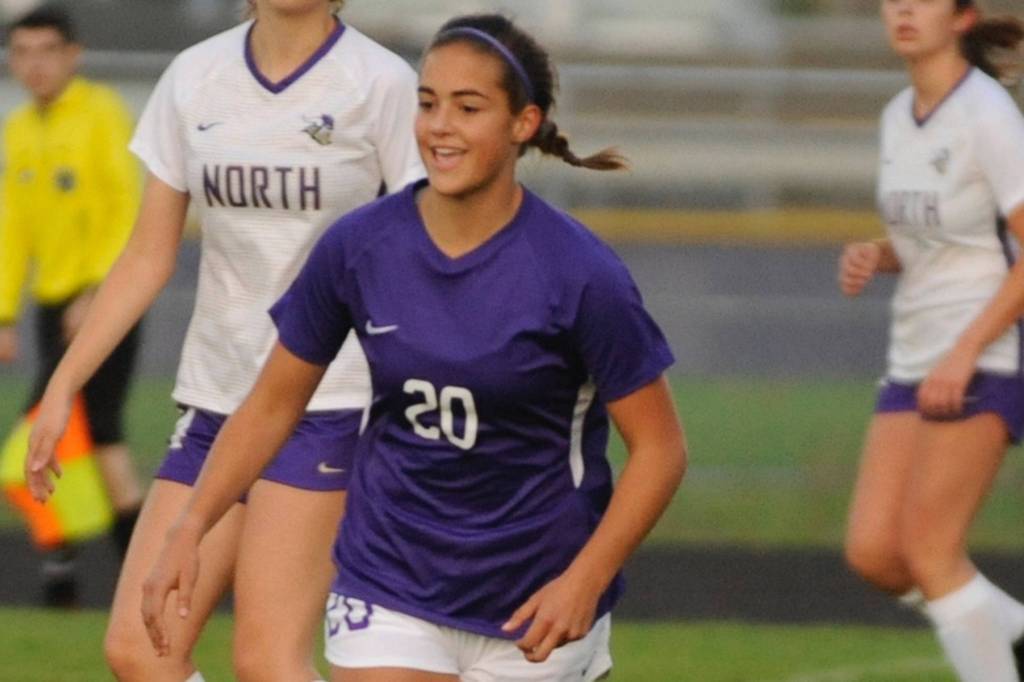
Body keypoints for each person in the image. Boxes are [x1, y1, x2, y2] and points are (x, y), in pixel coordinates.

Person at [141, 13, 686, 682]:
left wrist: (586, 578)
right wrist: (189, 526)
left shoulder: (579, 272)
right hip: (389, 580)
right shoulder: (359, 246)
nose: (439, 126)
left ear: (523, 124)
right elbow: (271, 406)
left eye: (468, 107)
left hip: (534, 599)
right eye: (428, 104)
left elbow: (660, 451)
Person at [24, 0, 422, 680]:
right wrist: (63, 383)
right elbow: (148, 256)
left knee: (266, 661)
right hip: (216, 401)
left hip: (325, 404)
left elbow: (425, 247)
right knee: (139, 651)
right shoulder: (195, 75)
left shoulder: (379, 81)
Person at [840, 1, 1024, 679]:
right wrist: (882, 254)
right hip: (915, 352)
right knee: (874, 552)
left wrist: (969, 349)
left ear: (965, 18)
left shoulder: (989, 115)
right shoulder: (898, 115)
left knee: (930, 550)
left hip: (983, 347)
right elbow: (943, 236)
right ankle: (1010, 631)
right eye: (893, 0)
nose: (904, 10)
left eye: (923, 0)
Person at [0, 5, 143, 607]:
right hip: (51, 307)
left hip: (102, 304)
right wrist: (4, 314)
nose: (33, 64)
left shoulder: (101, 114)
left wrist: (96, 293)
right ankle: (133, 571)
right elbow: (12, 231)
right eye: (22, 52)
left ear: (73, 54)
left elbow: (127, 207)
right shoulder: (20, 129)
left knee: (39, 441)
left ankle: (65, 568)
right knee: (99, 440)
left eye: (46, 50)